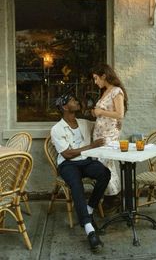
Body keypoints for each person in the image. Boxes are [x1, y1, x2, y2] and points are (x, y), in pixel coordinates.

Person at [51, 93, 111, 252]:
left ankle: (89, 209)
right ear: (64, 107)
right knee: (76, 186)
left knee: (105, 173)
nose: (76, 101)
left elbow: (101, 123)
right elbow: (67, 154)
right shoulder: (56, 129)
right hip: (68, 164)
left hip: (85, 161)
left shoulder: (83, 123)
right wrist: (91, 146)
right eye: (71, 100)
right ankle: (89, 230)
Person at [91, 64, 128, 212]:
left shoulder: (116, 91)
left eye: (96, 78)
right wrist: (96, 113)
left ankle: (113, 198)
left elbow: (120, 114)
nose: (95, 82)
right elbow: (104, 112)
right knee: (103, 167)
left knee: (106, 167)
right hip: (99, 135)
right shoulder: (105, 91)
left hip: (109, 136)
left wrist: (100, 112)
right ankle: (110, 198)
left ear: (104, 76)